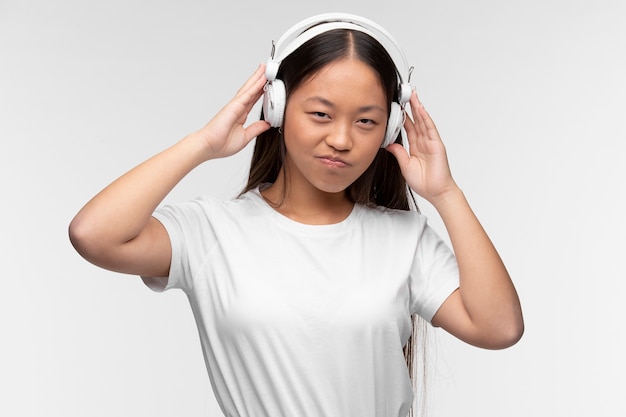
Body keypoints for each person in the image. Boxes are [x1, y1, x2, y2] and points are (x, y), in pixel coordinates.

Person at [69, 13, 523, 417]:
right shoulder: (211, 233)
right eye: (321, 114)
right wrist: (203, 145)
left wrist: (445, 193)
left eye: (365, 121)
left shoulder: (405, 239)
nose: (342, 139)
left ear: (389, 128)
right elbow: (93, 234)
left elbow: (499, 327)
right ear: (278, 107)